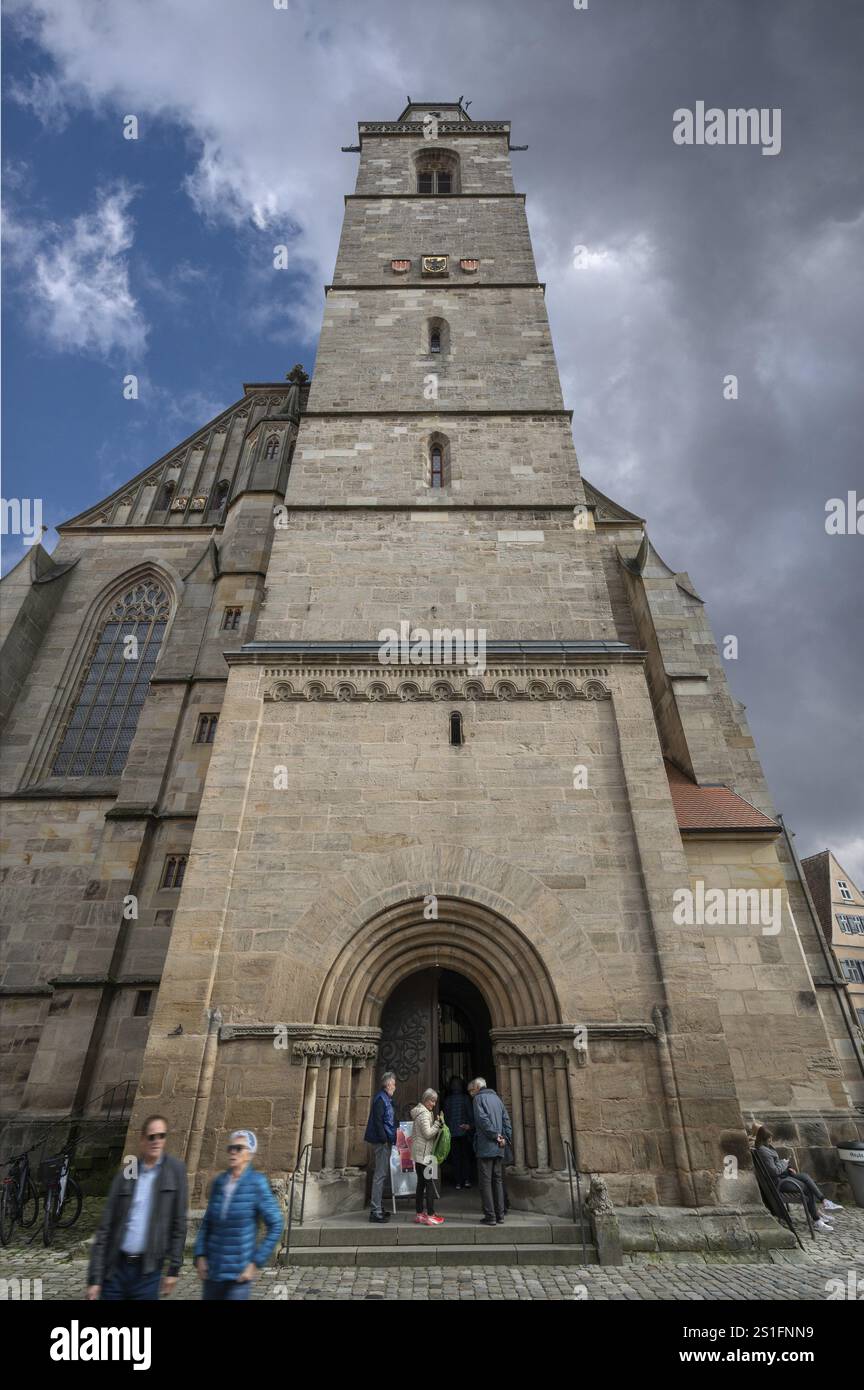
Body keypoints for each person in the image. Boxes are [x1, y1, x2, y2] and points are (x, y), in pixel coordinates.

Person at [87, 1114, 187, 1301]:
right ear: (142, 1140)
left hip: (147, 1272)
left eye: (161, 1136)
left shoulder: (175, 1170)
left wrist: (174, 1268)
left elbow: (179, 1223)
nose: (156, 1141)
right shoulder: (129, 1170)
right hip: (116, 1268)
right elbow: (106, 1226)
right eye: (151, 1137)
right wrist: (95, 1278)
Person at [194, 1128, 283, 1300]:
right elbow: (207, 1223)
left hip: (238, 1276)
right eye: (231, 1148)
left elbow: (276, 1223)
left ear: (249, 1154)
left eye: (239, 1148)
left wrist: (256, 1262)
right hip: (213, 1272)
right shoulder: (220, 1182)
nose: (233, 1152)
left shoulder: (257, 1184)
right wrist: (200, 1254)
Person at [753, 1124, 842, 1232]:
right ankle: (818, 1218)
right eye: (769, 1138)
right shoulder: (763, 1151)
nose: (771, 1140)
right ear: (764, 1138)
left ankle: (823, 1206)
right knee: (807, 1187)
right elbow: (774, 1171)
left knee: (806, 1178)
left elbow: (775, 1164)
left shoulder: (767, 1148)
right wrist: (784, 1164)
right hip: (779, 1182)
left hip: (783, 1176)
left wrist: (787, 1165)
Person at [467, 1077, 512, 1226]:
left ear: (478, 1088)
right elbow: (506, 1120)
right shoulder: (497, 1099)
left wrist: (495, 1135)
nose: (471, 1093)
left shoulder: (478, 1099)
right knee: (497, 1180)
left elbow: (482, 1120)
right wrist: (505, 1138)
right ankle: (501, 1215)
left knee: (485, 1182)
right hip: (499, 1147)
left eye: (472, 1090)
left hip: (486, 1147)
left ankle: (490, 1216)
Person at [363, 1070, 397, 1223]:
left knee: (382, 1174)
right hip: (381, 1142)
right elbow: (378, 1122)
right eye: (394, 1084)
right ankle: (375, 1211)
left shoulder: (385, 1099)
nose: (395, 1087)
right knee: (380, 1175)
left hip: (384, 1141)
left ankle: (378, 1207)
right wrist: (384, 1139)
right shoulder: (380, 1100)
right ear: (388, 1084)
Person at [410, 1089, 444, 1226]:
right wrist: (438, 1124)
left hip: (419, 1154)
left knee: (421, 1183)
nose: (434, 1104)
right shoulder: (424, 1114)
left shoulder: (421, 1111)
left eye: (435, 1101)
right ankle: (430, 1215)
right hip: (425, 1155)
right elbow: (428, 1134)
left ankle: (419, 1213)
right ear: (425, 1099)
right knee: (429, 1184)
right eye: (432, 1101)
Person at [443, 1076, 473, 1190]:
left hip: (452, 1133)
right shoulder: (466, 1099)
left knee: (456, 1158)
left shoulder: (448, 1100)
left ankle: (458, 1182)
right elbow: (470, 1114)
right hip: (464, 1132)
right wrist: (470, 1126)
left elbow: (446, 1117)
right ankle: (466, 1180)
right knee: (465, 1157)